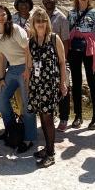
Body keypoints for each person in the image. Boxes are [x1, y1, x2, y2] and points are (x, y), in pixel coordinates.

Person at [24, 9, 68, 167]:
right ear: (33, 24)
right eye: (37, 21)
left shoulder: (54, 39)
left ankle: (50, 154)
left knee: (48, 118)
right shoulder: (30, 42)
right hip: (37, 85)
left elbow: (62, 62)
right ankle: (48, 147)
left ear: (47, 22)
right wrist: (29, 86)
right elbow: (28, 65)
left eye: (43, 20)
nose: (40, 23)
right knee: (42, 117)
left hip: (49, 84)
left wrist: (63, 83)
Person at [0, 5, 36, 153]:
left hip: (25, 66)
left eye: (3, 14)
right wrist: (1, 77)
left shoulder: (16, 29)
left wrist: (27, 70)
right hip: (11, 69)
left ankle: (29, 138)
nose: (0, 17)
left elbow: (27, 49)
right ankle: (11, 130)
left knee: (27, 102)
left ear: (8, 16)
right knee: (2, 97)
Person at [67, 0, 95, 130]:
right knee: (76, 82)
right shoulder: (71, 13)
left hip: (91, 48)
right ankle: (78, 115)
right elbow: (68, 32)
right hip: (75, 48)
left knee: (92, 81)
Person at [41, 0, 71, 132]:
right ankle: (51, 116)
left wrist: (62, 61)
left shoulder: (62, 18)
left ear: (56, 0)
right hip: (45, 60)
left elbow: (65, 42)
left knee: (63, 88)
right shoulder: (41, 17)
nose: (48, 1)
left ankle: (64, 118)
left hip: (59, 59)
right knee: (48, 89)